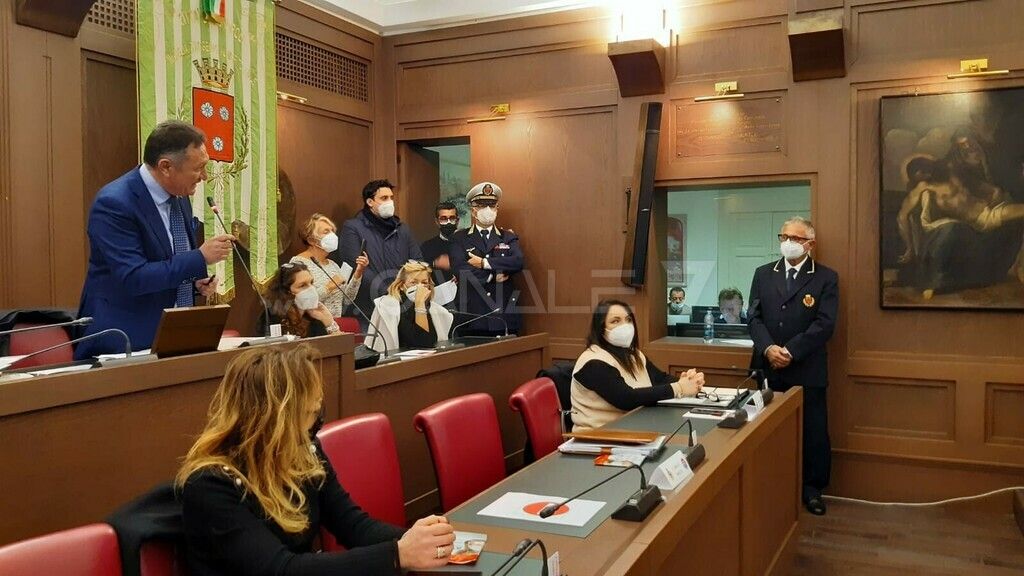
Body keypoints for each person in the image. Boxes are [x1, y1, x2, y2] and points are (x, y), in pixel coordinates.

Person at [177, 344, 456, 576]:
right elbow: (281, 569)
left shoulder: (302, 452)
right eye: (310, 414)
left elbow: (354, 526)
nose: (316, 424)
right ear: (275, 421)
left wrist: (420, 541)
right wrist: (397, 555)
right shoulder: (211, 485)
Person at [75, 120, 235, 360]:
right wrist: (199, 258)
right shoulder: (114, 203)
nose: (204, 176)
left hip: (174, 337)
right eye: (199, 168)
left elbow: (166, 261)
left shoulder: (179, 196)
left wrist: (192, 285)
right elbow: (133, 277)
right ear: (166, 167)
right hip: (123, 340)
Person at [747, 217, 838, 516]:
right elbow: (753, 317)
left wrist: (790, 351)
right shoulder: (763, 274)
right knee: (767, 432)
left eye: (796, 238)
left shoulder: (825, 278)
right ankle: (770, 487)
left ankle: (812, 490)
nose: (788, 242)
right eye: (784, 236)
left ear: (810, 244)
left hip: (806, 369)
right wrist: (769, 348)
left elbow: (825, 324)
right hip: (769, 367)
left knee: (813, 433)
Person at [570, 299, 705, 431]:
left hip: (634, 430)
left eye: (628, 320)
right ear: (600, 328)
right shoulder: (594, 362)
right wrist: (679, 387)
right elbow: (627, 398)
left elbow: (659, 379)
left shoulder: (634, 355)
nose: (625, 326)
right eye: (615, 321)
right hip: (599, 436)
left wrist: (690, 381)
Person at [335, 180, 423, 327]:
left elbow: (417, 261)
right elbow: (355, 265)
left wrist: (409, 286)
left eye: (391, 197)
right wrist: (389, 290)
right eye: (384, 198)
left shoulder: (402, 229)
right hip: (368, 309)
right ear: (370, 202)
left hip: (403, 306)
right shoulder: (353, 227)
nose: (390, 202)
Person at [449, 182, 523, 337]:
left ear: (497, 208)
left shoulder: (507, 237)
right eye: (483, 205)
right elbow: (460, 268)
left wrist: (484, 263)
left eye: (492, 205)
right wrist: (491, 276)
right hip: (472, 315)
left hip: (503, 315)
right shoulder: (459, 238)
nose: (488, 210)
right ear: (473, 210)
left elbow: (517, 261)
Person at [290, 213, 369, 318]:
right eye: (326, 232)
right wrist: (329, 287)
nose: (332, 235)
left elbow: (347, 299)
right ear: (311, 240)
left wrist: (358, 272)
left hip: (335, 324)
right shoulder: (298, 263)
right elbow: (303, 302)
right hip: (313, 325)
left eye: (332, 231)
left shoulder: (333, 265)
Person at [366, 262, 454, 353]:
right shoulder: (388, 306)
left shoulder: (434, 309)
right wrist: (419, 304)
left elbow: (428, 343)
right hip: (397, 359)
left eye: (424, 282)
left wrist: (421, 304)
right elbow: (418, 343)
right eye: (413, 283)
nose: (419, 287)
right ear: (401, 285)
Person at [264, 262, 340, 338]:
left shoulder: (314, 318)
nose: (311, 289)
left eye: (311, 283)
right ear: (287, 291)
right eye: (302, 285)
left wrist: (329, 322)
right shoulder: (271, 317)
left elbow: (339, 344)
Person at [420, 201, 460, 285]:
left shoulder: (468, 243)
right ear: (437, 221)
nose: (448, 222)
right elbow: (418, 271)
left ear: (457, 220)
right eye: (444, 219)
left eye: (452, 218)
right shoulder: (426, 246)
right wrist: (435, 263)